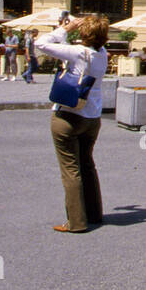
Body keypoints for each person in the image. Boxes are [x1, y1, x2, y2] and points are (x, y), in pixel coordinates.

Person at [37, 14, 110, 233]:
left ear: (83, 34)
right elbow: (69, 49)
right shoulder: (102, 54)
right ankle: (94, 213)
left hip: (68, 116)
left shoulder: (78, 52)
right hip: (92, 118)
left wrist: (66, 28)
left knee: (71, 170)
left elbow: (40, 43)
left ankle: (76, 222)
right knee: (87, 164)